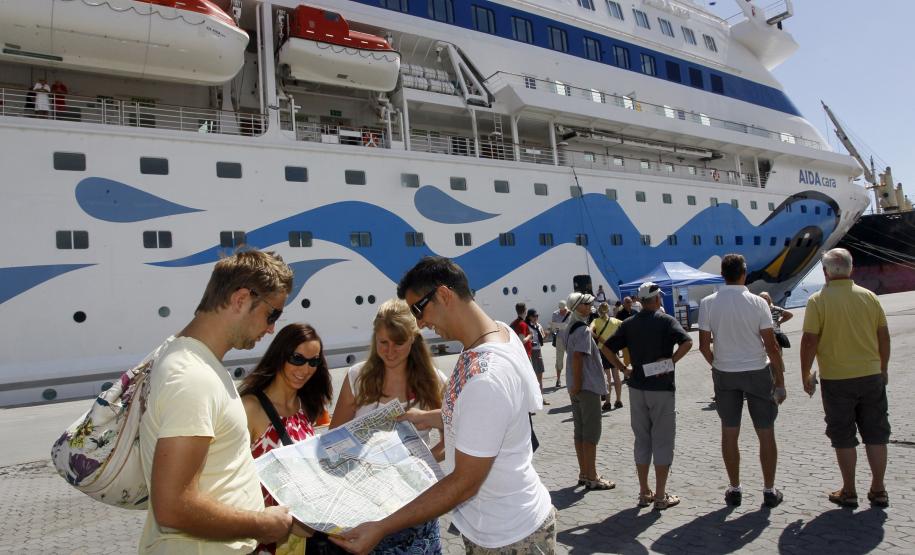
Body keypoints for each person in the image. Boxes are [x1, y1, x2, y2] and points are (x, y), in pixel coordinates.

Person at [333, 256, 554, 554]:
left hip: (508, 536)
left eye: (418, 310)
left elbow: (464, 483)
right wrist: (430, 417)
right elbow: (488, 417)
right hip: (502, 523)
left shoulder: (485, 379)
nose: (420, 324)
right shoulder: (498, 333)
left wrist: (382, 526)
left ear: (444, 295)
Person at [138, 250, 295, 553]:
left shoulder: (192, 361)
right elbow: (173, 507)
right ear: (240, 300)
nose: (272, 327)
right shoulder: (192, 377)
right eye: (272, 314)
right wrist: (263, 524)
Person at [330, 298, 448, 553]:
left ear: (414, 339)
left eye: (399, 343)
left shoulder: (435, 381)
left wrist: (422, 461)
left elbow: (451, 439)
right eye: (383, 342)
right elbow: (333, 439)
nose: (390, 351)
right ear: (375, 339)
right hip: (366, 504)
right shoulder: (357, 377)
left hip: (416, 503)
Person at [800, 248, 891, 508]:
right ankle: (879, 489)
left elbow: (809, 341)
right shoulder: (870, 297)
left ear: (826, 272)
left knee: (843, 436)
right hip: (871, 375)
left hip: (837, 379)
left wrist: (805, 372)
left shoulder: (818, 301)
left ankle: (849, 491)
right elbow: (883, 336)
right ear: (851, 268)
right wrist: (883, 367)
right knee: (876, 434)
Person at [698, 254, 787, 508]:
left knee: (729, 432)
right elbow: (771, 346)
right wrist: (780, 381)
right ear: (744, 273)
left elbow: (704, 345)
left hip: (725, 374)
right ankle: (769, 490)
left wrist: (718, 364)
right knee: (766, 432)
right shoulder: (758, 302)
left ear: (723, 275)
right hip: (757, 371)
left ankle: (734, 488)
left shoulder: (708, 303)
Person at [240, 323, 333, 555]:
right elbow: (230, 480)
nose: (306, 368)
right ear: (280, 355)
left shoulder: (304, 405)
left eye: (314, 361)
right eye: (298, 359)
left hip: (299, 541)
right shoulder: (251, 407)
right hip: (260, 537)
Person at [601, 282, 692, 510]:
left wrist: (623, 369)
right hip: (661, 388)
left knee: (642, 440)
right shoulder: (666, 321)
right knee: (662, 441)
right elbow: (688, 341)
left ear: (641, 301)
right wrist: (671, 362)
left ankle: (644, 492)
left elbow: (606, 348)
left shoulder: (629, 323)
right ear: (657, 299)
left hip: (637, 388)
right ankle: (660, 496)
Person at [563, 292, 613, 491]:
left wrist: (573, 387)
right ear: (579, 307)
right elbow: (578, 358)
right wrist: (578, 384)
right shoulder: (583, 330)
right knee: (592, 433)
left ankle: (584, 473)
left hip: (575, 388)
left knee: (580, 432)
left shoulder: (568, 329)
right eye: (587, 304)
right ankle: (592, 476)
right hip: (586, 386)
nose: (591, 306)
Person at [590, 302, 623, 411]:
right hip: (614, 350)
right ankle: (618, 401)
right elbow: (626, 326)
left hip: (602, 350)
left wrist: (598, 337)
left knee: (607, 378)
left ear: (598, 311)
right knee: (616, 376)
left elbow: (589, 331)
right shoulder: (615, 321)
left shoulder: (596, 321)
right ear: (608, 310)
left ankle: (607, 402)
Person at [526, 308, 550, 405]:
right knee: (532, 376)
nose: (536, 318)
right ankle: (533, 399)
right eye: (534, 316)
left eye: (537, 316)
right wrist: (530, 342)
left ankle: (541, 397)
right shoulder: (527, 327)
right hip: (531, 352)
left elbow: (542, 338)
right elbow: (525, 339)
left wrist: (547, 334)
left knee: (540, 375)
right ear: (529, 317)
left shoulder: (539, 326)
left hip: (538, 351)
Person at [550, 300, 570, 387]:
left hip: (570, 339)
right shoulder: (555, 314)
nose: (564, 311)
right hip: (559, 339)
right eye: (562, 310)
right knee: (559, 360)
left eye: (565, 309)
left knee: (572, 358)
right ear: (559, 309)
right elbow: (553, 327)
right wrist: (557, 327)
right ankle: (558, 379)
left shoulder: (571, 313)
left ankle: (572, 378)